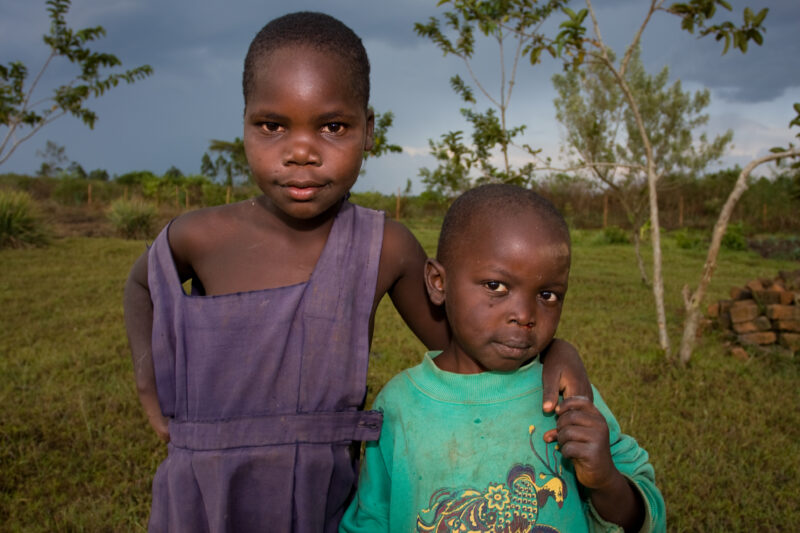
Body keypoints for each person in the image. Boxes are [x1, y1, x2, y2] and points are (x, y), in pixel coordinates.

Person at [123, 12, 592, 533]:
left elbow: (466, 343)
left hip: (321, 497)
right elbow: (144, 283)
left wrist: (556, 350)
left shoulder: (382, 247)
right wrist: (150, 382)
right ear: (245, 124)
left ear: (368, 131)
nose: (301, 151)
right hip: (205, 492)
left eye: (332, 127)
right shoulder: (199, 236)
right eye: (272, 125)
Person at [340, 184, 666, 533]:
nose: (525, 314)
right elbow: (371, 519)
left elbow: (648, 517)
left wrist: (606, 481)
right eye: (496, 286)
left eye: (547, 294)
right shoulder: (398, 406)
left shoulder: (566, 395)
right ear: (438, 282)